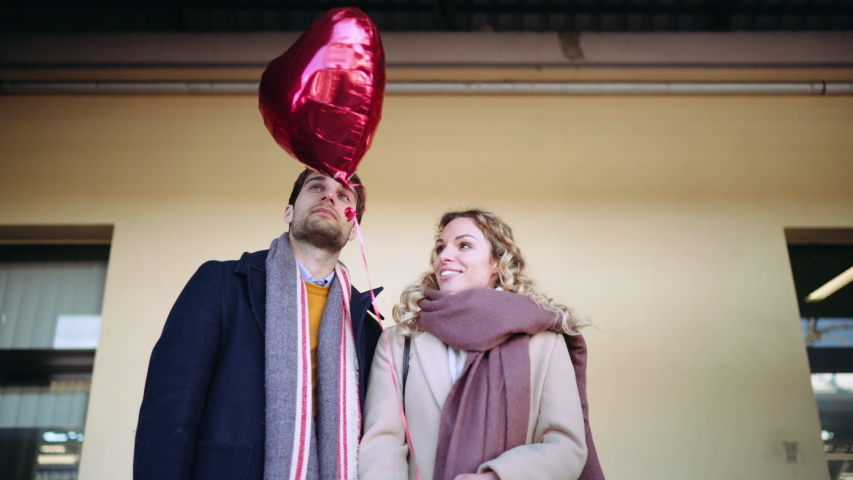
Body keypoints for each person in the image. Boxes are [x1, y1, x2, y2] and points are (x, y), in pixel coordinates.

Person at [134, 168, 382, 480]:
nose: (329, 196)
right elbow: (167, 412)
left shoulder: (367, 327)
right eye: (316, 187)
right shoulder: (221, 285)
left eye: (344, 195)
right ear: (289, 211)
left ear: (352, 230)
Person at [359, 209, 604, 480]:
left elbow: (565, 446)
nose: (444, 256)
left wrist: (495, 478)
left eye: (463, 245)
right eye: (440, 247)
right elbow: (382, 442)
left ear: (497, 263)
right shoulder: (400, 341)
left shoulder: (544, 342)